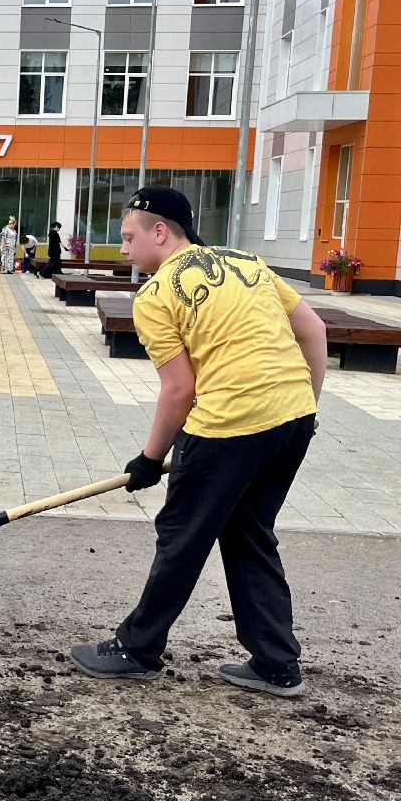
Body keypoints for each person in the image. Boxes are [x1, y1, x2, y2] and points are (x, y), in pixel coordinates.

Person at [69, 186, 326, 698]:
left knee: (182, 535)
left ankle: (137, 649)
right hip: (294, 416)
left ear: (159, 231)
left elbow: (179, 390)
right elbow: (314, 331)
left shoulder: (156, 295)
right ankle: (277, 663)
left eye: (128, 237)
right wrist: (306, 410)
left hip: (228, 423)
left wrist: (150, 458)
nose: (123, 248)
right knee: (249, 533)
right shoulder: (246, 262)